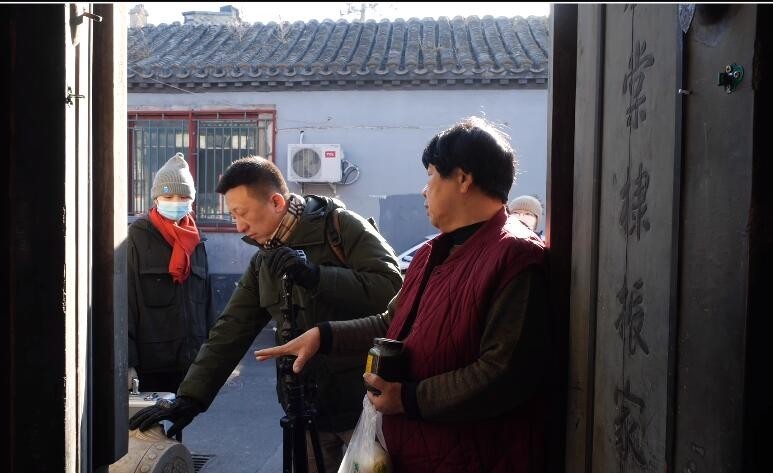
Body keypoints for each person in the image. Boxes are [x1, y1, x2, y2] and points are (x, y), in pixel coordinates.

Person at [255, 117, 551, 472]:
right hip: (418, 450)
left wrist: (408, 398)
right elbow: (392, 323)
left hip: (475, 457)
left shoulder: (516, 255)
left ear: (463, 179)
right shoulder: (431, 254)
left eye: (431, 175)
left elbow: (502, 374)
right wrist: (324, 336)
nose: (425, 190)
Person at [129, 155, 402, 473]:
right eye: (232, 216)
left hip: (366, 407)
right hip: (307, 413)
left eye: (242, 213)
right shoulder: (265, 260)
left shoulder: (341, 227)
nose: (239, 226)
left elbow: (393, 289)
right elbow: (231, 329)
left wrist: (316, 276)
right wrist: (190, 399)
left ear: (275, 202)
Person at [128, 152, 216, 395]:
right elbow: (126, 305)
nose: (176, 202)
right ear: (156, 198)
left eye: (183, 197)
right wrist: (128, 362)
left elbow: (207, 305)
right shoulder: (138, 237)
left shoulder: (196, 241)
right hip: (150, 367)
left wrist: (211, 359)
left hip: (191, 365)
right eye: (168, 196)